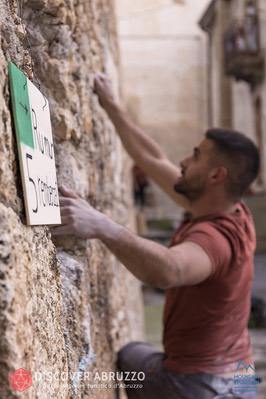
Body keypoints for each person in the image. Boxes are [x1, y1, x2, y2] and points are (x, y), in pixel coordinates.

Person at [53, 73, 260, 399]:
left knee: (129, 357)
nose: (184, 160)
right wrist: (112, 106)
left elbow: (169, 270)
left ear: (216, 175)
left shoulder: (216, 239)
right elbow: (152, 158)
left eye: (195, 155)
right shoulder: (229, 208)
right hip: (243, 376)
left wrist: (100, 225)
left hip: (202, 386)